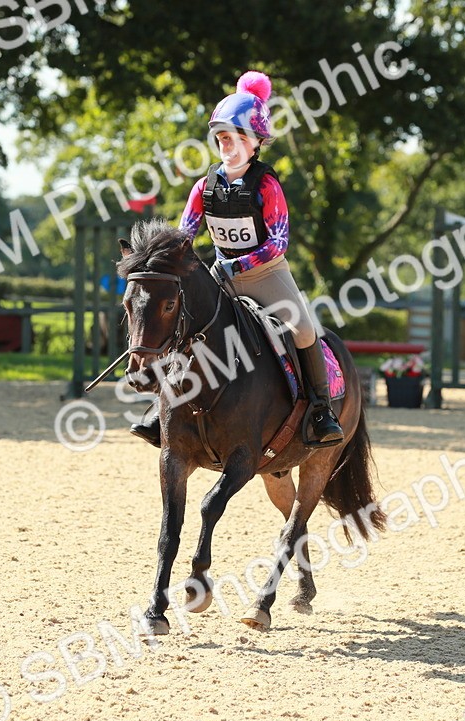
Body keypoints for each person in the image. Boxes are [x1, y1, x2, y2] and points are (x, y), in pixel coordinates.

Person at [129, 70, 344, 449]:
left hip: (265, 274)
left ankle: (322, 409)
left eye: (236, 138)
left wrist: (237, 265)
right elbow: (184, 236)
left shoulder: (266, 186)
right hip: (220, 274)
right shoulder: (203, 187)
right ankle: (158, 409)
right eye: (223, 138)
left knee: (306, 331)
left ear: (256, 142)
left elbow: (278, 243)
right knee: (181, 323)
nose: (228, 145)